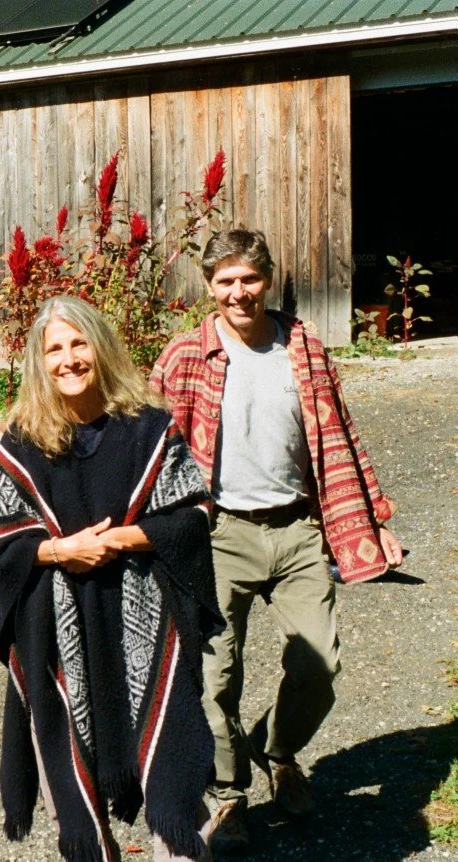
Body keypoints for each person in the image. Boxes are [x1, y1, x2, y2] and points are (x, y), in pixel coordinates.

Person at [150, 229, 403, 854]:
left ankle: (278, 748)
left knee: (320, 664)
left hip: (296, 528)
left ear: (268, 279)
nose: (239, 292)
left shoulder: (303, 346)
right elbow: (152, 450)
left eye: (250, 279)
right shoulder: (185, 356)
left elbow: (339, 435)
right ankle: (231, 799)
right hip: (220, 534)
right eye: (226, 281)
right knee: (214, 679)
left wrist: (374, 520)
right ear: (210, 287)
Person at [0, 296, 222, 862]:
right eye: (54, 349)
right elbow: (1, 541)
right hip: (59, 632)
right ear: (39, 364)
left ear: (100, 347)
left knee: (171, 770)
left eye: (78, 343)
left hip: (145, 619)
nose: (68, 359)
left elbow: (193, 516)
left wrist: (119, 540)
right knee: (75, 779)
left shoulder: (149, 428)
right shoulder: (20, 443)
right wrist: (61, 550)